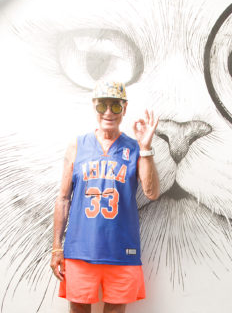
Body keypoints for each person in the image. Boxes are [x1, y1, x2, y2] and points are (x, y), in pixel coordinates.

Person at [50, 79, 160, 313]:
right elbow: (63, 199)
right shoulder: (77, 145)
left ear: (124, 108)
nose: (108, 112)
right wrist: (56, 247)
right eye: (102, 106)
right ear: (94, 106)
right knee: (78, 309)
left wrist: (146, 147)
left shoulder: (134, 147)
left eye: (115, 106)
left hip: (121, 249)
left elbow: (151, 192)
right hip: (80, 250)